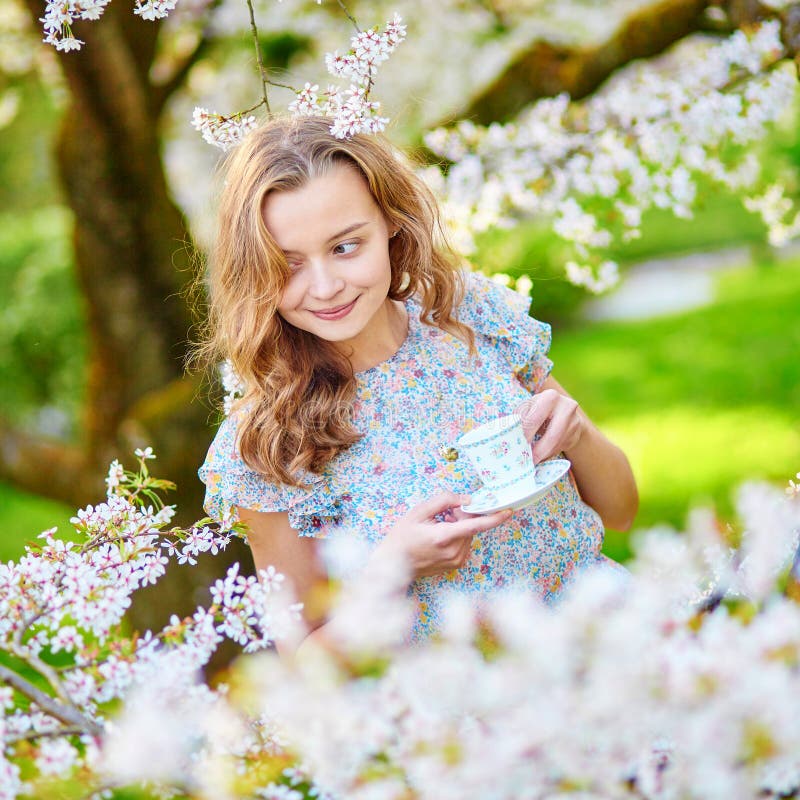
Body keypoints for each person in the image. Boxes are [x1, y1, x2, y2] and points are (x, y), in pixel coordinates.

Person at [197, 115, 638, 652]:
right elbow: (302, 668)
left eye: (344, 247)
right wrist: (390, 570)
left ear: (389, 223)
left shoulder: (469, 316)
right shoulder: (268, 442)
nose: (325, 286)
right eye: (288, 265)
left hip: (613, 644)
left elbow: (620, 511)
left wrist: (579, 437)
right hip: (472, 713)